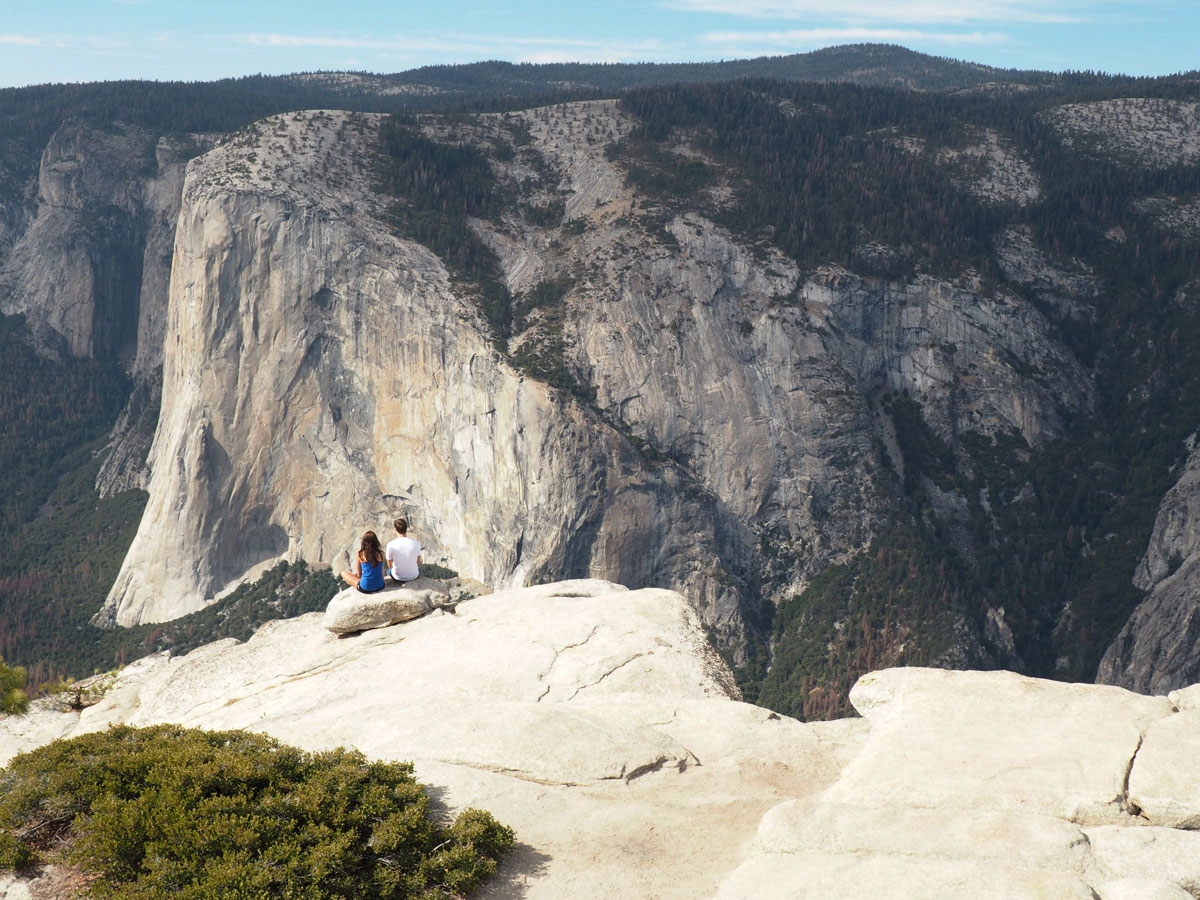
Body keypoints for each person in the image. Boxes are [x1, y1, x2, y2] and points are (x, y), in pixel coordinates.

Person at [385, 517, 422, 583]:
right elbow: (418, 562)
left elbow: (389, 565)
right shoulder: (415, 543)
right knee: (419, 569)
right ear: (406, 528)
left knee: (388, 571)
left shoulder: (391, 544)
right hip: (414, 576)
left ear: (395, 529)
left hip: (397, 577)